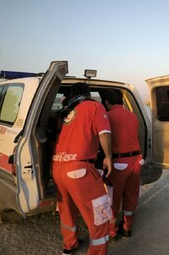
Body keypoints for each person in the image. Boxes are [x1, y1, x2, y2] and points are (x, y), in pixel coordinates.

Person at [51, 83, 112, 255]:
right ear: (88, 94)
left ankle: (69, 245)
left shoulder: (65, 113)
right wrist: (108, 156)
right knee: (100, 215)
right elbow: (104, 133)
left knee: (67, 210)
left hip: (58, 167)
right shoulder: (95, 106)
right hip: (79, 169)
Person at [103, 89, 143, 241]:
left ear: (106, 102)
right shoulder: (132, 116)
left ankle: (112, 232)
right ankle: (127, 228)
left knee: (113, 199)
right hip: (136, 161)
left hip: (119, 163)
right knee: (131, 196)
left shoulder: (107, 116)